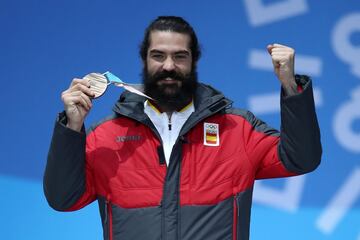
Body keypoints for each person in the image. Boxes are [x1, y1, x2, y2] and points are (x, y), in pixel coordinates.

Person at [44, 16, 322, 240]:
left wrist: (290, 87)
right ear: (144, 61)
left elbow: (301, 158)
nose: (168, 66)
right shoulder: (103, 137)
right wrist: (72, 126)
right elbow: (63, 199)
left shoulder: (236, 129)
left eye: (179, 56)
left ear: (193, 62)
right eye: (158, 56)